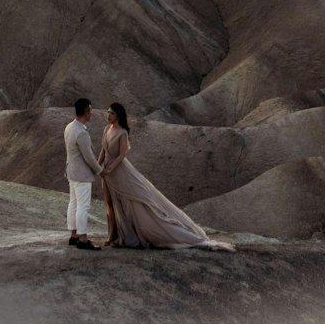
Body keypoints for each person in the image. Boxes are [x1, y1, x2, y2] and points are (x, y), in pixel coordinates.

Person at [99, 101, 234, 251]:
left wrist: (110, 168)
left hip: (119, 171)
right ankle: (112, 236)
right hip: (107, 173)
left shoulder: (122, 132)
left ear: (118, 116)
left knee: (129, 202)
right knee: (110, 204)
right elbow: (104, 150)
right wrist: (98, 166)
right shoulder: (107, 129)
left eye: (111, 113)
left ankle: (132, 233)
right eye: (108, 112)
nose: (108, 115)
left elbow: (122, 154)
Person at [64, 97, 102, 251]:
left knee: (73, 203)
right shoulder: (81, 133)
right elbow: (89, 157)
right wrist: (100, 171)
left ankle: (73, 236)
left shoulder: (69, 127)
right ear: (86, 112)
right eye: (90, 110)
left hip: (71, 172)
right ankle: (83, 239)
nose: (91, 113)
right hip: (82, 174)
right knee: (83, 206)